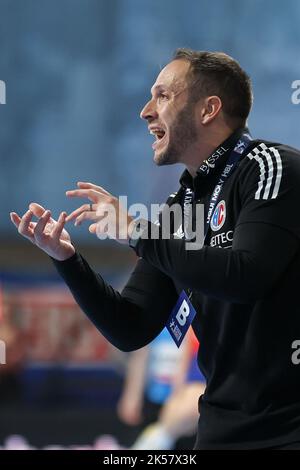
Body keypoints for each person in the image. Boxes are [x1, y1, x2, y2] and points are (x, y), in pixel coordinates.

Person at [10, 48, 300, 449]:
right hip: (219, 430)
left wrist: (136, 232)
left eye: (163, 96)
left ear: (208, 109)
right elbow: (130, 326)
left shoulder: (271, 167)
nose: (146, 112)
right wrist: (68, 259)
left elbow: (246, 276)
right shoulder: (180, 208)